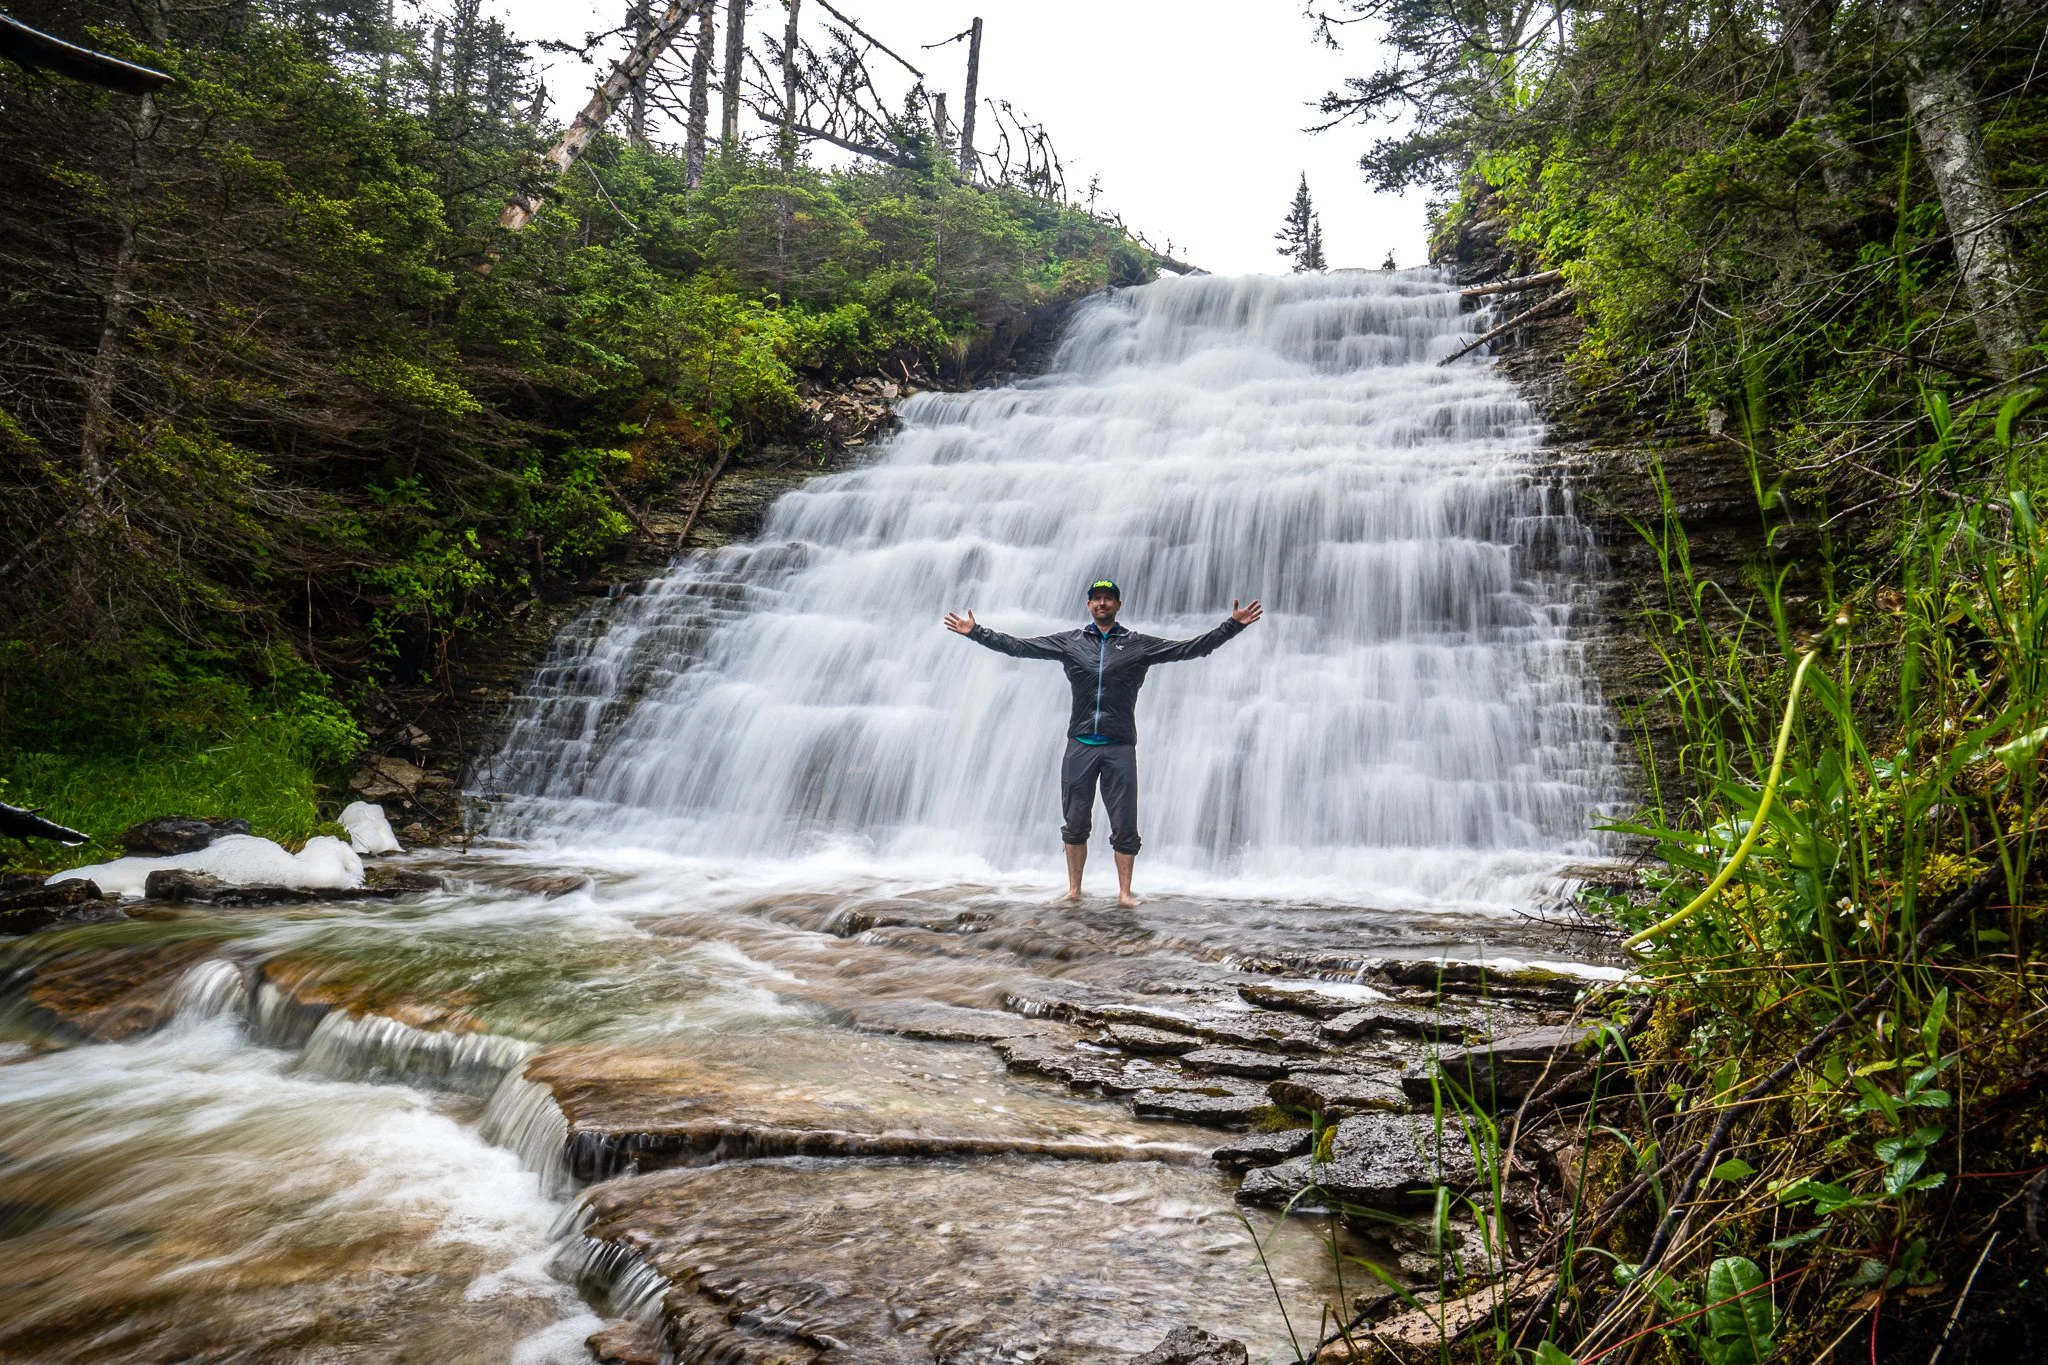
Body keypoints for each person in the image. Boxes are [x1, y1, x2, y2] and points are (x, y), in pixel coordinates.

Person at [944, 579, 1262, 906]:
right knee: (1075, 820)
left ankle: (1125, 893)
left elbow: (1189, 648)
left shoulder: (1137, 644)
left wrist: (1231, 626)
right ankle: (1074, 891)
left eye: (1108, 599)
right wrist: (976, 632)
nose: (1102, 604)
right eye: (1096, 599)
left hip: (1119, 745)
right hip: (1080, 744)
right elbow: (1020, 646)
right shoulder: (1070, 642)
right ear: (1088, 605)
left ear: (1118, 605)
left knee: (1124, 822)